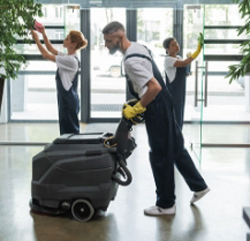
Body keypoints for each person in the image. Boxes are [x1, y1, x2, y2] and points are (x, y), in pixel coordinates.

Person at [102, 21, 210, 216]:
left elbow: (153, 87)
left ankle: (166, 204)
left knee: (160, 154)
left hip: (157, 105)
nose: (106, 45)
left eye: (109, 41)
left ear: (119, 38)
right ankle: (199, 186)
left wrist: (137, 107)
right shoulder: (139, 47)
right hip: (166, 101)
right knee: (176, 148)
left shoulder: (130, 61)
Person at [30, 27, 88, 135]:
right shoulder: (68, 56)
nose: (64, 40)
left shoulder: (70, 60)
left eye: (67, 39)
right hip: (67, 99)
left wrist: (36, 40)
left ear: (73, 45)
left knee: (70, 133)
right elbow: (50, 49)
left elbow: (46, 55)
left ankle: (71, 151)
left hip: (68, 101)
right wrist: (43, 33)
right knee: (66, 131)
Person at [162, 34, 203, 129]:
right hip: (173, 94)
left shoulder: (179, 58)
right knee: (175, 117)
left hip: (180, 92)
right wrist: (197, 52)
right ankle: (173, 140)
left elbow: (186, 73)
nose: (176, 45)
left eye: (176, 43)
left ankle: (178, 138)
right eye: (173, 45)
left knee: (179, 116)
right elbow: (184, 63)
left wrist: (188, 64)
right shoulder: (168, 60)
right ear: (167, 49)